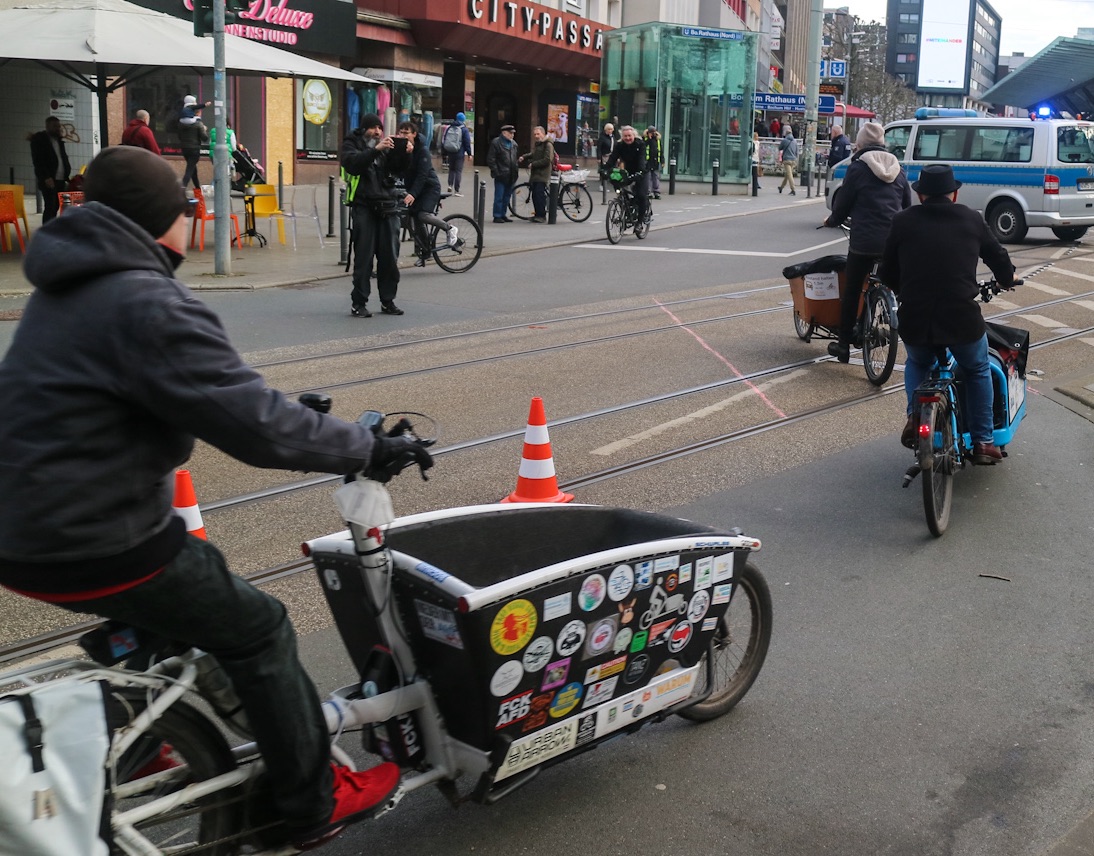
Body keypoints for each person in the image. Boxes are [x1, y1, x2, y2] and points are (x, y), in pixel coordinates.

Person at [0, 145, 433, 852]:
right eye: (186, 210)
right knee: (257, 628)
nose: (193, 220)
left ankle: (146, 739)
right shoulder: (145, 300)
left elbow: (198, 398)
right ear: (164, 221)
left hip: (22, 534)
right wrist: (365, 447)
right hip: (95, 537)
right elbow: (254, 426)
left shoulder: (64, 287)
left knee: (171, 617)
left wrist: (284, 418)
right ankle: (310, 801)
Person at [877, 163, 1015, 464]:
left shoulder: (902, 221)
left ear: (921, 195)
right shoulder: (971, 218)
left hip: (916, 318)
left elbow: (886, 272)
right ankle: (983, 442)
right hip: (961, 318)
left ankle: (915, 418)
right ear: (954, 193)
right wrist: (1006, 279)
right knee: (977, 369)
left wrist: (907, 291)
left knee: (917, 361)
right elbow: (999, 257)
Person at [821, 121, 911, 361]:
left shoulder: (858, 169)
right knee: (893, 282)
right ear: (883, 144)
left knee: (852, 290)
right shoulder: (899, 169)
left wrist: (832, 220)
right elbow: (907, 207)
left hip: (864, 242)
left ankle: (843, 346)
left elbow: (843, 206)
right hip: (893, 242)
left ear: (859, 145)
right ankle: (885, 322)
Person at [341, 112, 409, 317]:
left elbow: (399, 171)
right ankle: (359, 303)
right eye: (373, 128)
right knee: (364, 259)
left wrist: (407, 153)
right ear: (364, 129)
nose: (377, 132)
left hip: (388, 208)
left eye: (380, 128)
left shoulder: (386, 147)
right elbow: (352, 165)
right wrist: (375, 150)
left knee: (389, 258)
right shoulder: (351, 144)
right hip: (364, 207)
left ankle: (388, 301)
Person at [397, 120, 460, 265]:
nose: (403, 135)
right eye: (401, 132)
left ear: (414, 134)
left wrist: (412, 194)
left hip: (430, 187)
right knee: (416, 219)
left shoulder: (422, 150)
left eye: (406, 133)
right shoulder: (402, 150)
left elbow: (422, 175)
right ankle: (425, 252)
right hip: (414, 188)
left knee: (423, 215)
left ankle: (449, 228)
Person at [29, 116, 71, 224]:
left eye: (58, 126)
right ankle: (47, 229)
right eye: (54, 126)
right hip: (49, 179)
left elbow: (62, 157)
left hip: (60, 178)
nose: (57, 129)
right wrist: (45, 177)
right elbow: (38, 161)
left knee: (56, 205)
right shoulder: (41, 141)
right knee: (50, 206)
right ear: (47, 127)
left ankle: (52, 227)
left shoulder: (59, 141)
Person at [609, 125, 649, 220]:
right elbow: (612, 158)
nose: (627, 138)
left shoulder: (640, 144)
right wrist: (605, 169)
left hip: (641, 171)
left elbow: (641, 159)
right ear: (622, 137)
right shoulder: (619, 145)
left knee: (641, 195)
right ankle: (627, 210)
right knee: (619, 187)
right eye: (625, 136)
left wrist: (640, 172)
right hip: (627, 171)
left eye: (629, 136)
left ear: (634, 135)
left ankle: (639, 221)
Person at [518, 126, 554, 223]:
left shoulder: (548, 144)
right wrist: (524, 157)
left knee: (539, 195)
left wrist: (533, 164)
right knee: (535, 195)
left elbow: (547, 160)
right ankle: (537, 215)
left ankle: (541, 216)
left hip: (542, 174)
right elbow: (534, 154)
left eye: (538, 134)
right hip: (536, 174)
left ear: (543, 133)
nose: (536, 136)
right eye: (535, 134)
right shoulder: (539, 144)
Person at [486, 124, 520, 224]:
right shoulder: (496, 143)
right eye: (510, 133)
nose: (512, 135)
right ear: (504, 133)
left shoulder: (514, 144)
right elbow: (491, 159)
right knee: (499, 196)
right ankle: (497, 215)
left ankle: (503, 214)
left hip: (511, 174)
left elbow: (514, 158)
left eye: (513, 133)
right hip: (501, 173)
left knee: (507, 196)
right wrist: (496, 172)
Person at [177, 95, 209, 190]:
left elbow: (179, 136)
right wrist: (204, 129)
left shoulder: (181, 123)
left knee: (192, 169)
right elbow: (204, 138)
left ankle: (197, 189)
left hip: (185, 148)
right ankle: (183, 186)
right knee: (190, 169)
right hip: (194, 149)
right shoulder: (198, 124)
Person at [444, 112, 472, 196]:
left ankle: (450, 185)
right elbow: (467, 142)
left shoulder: (449, 127)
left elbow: (445, 139)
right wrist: (469, 153)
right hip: (459, 152)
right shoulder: (464, 129)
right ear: (463, 119)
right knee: (458, 171)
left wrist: (445, 152)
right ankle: (457, 190)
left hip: (450, 151)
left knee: (451, 169)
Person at [644, 126, 663, 200]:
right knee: (648, 177)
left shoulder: (657, 140)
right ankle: (648, 192)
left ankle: (656, 192)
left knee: (655, 177)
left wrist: (662, 160)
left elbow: (660, 151)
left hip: (655, 161)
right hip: (647, 161)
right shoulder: (645, 139)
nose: (652, 134)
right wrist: (648, 138)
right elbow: (644, 146)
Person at [778, 126, 798, 196]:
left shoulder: (784, 140)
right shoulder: (795, 141)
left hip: (787, 160)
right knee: (788, 175)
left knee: (789, 175)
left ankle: (793, 189)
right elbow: (797, 151)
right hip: (793, 160)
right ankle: (781, 187)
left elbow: (780, 148)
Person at [598, 123, 616, 194]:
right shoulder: (602, 137)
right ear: (606, 130)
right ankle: (602, 185)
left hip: (612, 156)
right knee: (605, 170)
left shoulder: (613, 137)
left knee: (613, 170)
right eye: (609, 129)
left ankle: (613, 183)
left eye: (611, 129)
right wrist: (599, 158)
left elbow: (615, 146)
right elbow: (599, 148)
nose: (610, 131)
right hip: (605, 156)